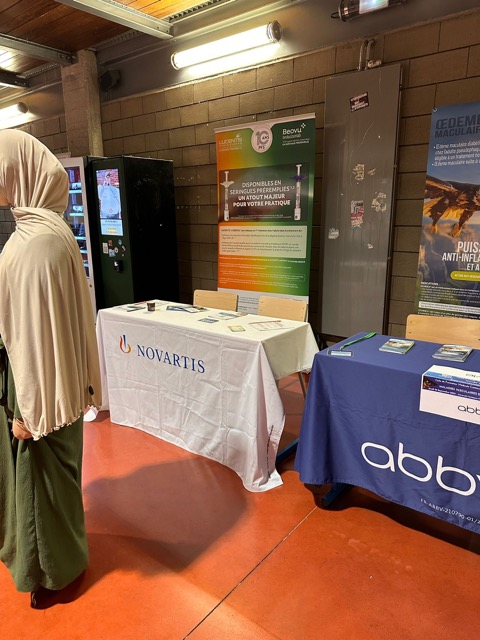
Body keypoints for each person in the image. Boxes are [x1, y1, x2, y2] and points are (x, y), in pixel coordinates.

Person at [0, 130, 101, 609]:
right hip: (48, 382)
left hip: (36, 387)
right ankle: (52, 561)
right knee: (53, 480)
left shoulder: (37, 243)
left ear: (20, 171)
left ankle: (51, 572)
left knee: (40, 483)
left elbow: (37, 336)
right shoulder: (46, 232)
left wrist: (31, 412)